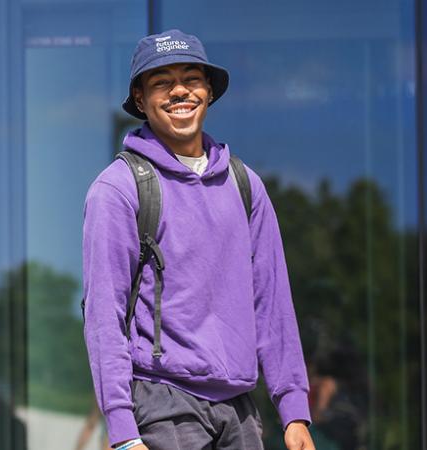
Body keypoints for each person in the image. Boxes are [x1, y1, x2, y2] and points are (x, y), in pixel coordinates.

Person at [82, 30, 316, 450]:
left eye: (191, 78)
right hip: (162, 404)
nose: (179, 91)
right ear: (140, 100)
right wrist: (121, 431)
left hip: (239, 408)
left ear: (208, 91)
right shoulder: (118, 188)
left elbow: (273, 301)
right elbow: (104, 314)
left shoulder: (246, 185)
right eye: (161, 82)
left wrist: (293, 409)